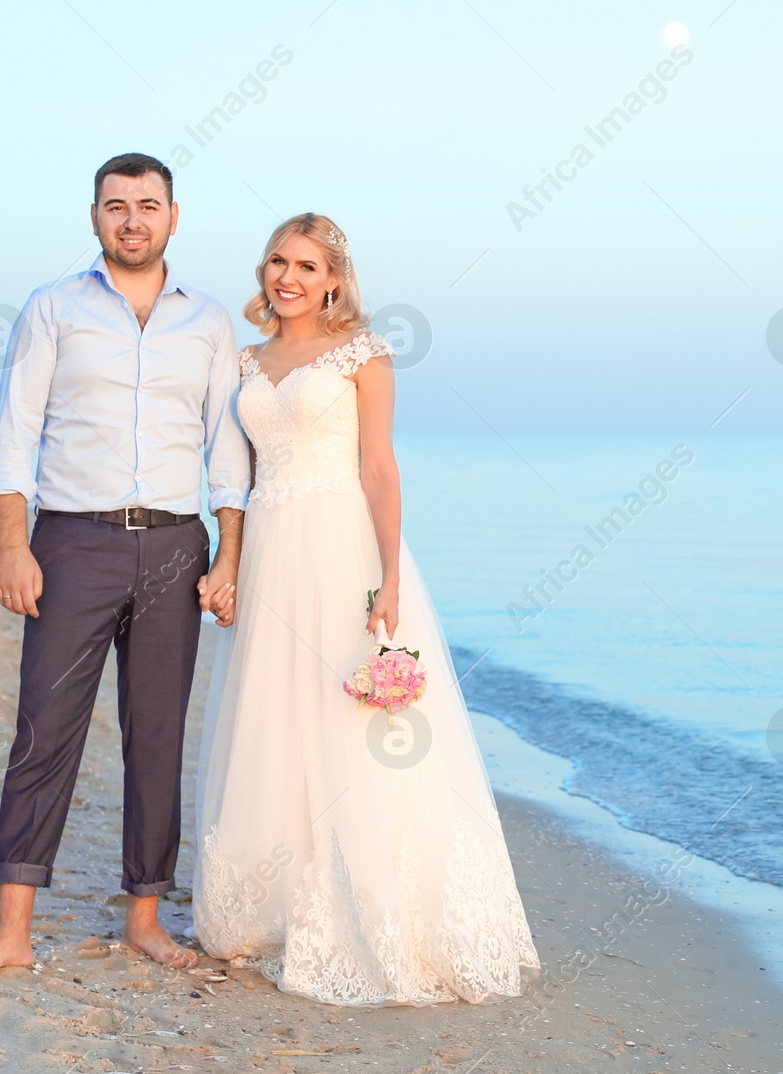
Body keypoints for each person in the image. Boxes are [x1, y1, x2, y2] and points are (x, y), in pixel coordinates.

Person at [191, 213, 539, 1005]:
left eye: (307, 266)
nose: (288, 277)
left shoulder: (364, 356)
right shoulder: (244, 360)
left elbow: (379, 468)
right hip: (273, 548)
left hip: (342, 545)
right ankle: (272, 902)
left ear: (334, 280)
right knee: (275, 719)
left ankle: (379, 912)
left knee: (357, 727)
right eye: (278, 261)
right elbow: (233, 480)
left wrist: (389, 572)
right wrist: (231, 560)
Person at [0, 152, 249, 980]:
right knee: (44, 731)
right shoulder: (53, 309)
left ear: (173, 217)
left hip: (177, 546)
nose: (131, 220)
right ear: (94, 218)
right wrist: (13, 544)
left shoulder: (210, 322)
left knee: (156, 736)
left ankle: (146, 919)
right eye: (116, 206)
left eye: (147, 205)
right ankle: (12, 931)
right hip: (71, 543)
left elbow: (226, 446)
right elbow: (15, 433)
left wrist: (230, 551)